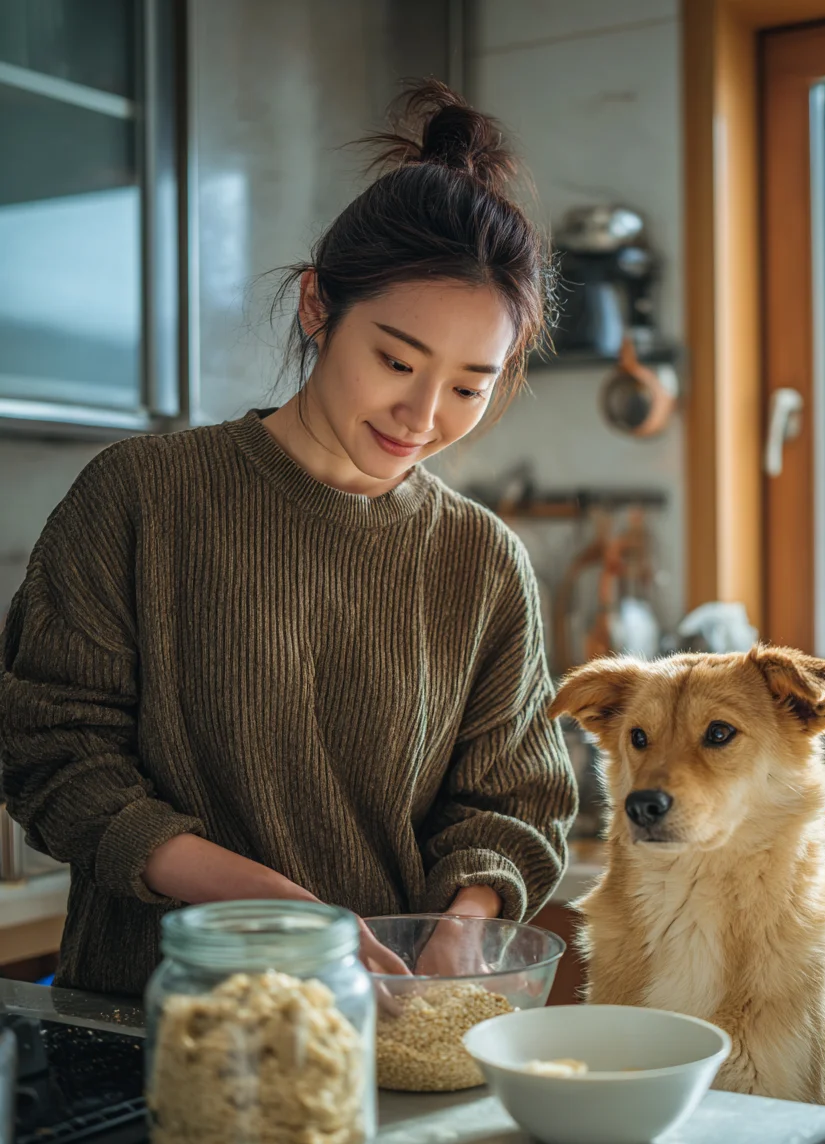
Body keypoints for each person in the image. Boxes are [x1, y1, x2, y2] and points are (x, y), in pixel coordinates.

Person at [0, 81, 577, 997]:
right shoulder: (143, 499)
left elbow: (512, 802)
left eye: (470, 385)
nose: (423, 416)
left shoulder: (483, 563)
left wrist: (463, 926)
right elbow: (52, 757)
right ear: (318, 306)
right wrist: (273, 912)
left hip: (383, 1036)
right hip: (153, 1024)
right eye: (395, 360)